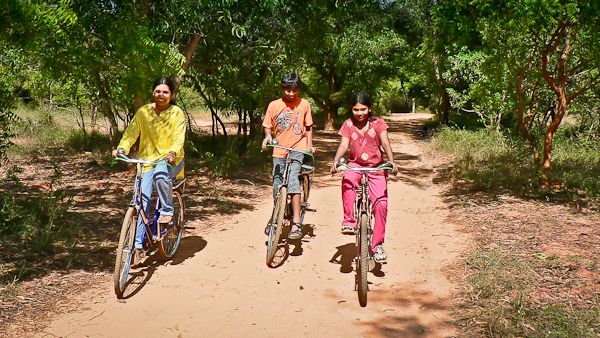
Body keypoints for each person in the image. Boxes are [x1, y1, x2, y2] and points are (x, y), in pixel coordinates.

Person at [112, 76, 186, 255]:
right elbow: (131, 132)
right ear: (153, 93)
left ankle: (167, 210)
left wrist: (172, 153)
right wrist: (122, 148)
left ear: (172, 94)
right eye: (158, 91)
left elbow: (178, 137)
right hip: (146, 162)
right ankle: (137, 245)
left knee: (161, 173)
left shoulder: (177, 113)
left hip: (171, 160)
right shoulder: (144, 112)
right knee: (140, 199)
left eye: (165, 92)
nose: (161, 95)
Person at [330, 92, 397, 263]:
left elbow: (386, 143)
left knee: (381, 205)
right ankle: (349, 221)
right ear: (351, 110)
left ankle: (377, 246)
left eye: (363, 109)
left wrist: (391, 161)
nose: (359, 113)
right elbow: (344, 144)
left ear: (370, 108)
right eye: (356, 110)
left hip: (376, 167)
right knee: (347, 180)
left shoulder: (378, 123)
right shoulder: (348, 124)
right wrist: (336, 161)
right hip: (355, 165)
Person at [261, 72, 315, 240]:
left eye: (294, 90)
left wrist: (309, 145)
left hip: (298, 148)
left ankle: (296, 222)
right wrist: (267, 137)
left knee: (292, 181)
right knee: (277, 185)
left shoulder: (304, 104)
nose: (291, 93)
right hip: (279, 149)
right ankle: (276, 216)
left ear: (298, 89)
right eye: (288, 90)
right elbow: (267, 126)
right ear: (282, 88)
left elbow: (308, 127)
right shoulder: (274, 105)